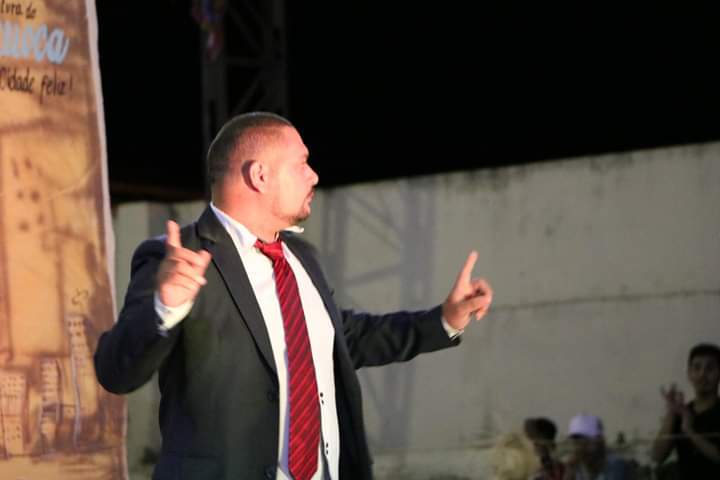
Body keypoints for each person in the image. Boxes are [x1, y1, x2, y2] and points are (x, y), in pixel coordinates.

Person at [93, 112, 494, 480]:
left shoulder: (302, 257)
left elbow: (344, 340)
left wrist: (445, 319)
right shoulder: (177, 257)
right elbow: (116, 372)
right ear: (260, 175)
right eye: (302, 163)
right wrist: (165, 307)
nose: (314, 176)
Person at [651, 343, 720, 479]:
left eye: (710, 368)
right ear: (689, 374)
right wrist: (671, 412)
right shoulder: (682, 412)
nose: (702, 374)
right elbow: (657, 456)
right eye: (697, 368)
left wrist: (689, 431)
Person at [562, 414, 634, 480]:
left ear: (598, 440)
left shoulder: (616, 465)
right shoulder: (578, 466)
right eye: (575, 442)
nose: (578, 447)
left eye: (584, 441)